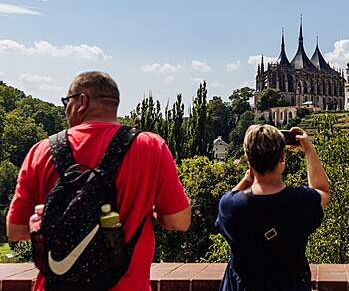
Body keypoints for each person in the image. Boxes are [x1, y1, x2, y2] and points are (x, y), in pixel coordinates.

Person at [6, 71, 191, 291]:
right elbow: (179, 222)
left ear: (81, 101)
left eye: (67, 102)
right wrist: (146, 209)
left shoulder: (42, 151)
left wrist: (58, 216)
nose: (66, 109)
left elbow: (15, 230)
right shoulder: (151, 147)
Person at [215, 125, 330, 290]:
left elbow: (229, 199)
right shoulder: (300, 201)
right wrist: (309, 150)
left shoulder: (231, 207)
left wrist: (249, 176)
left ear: (248, 160)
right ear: (282, 157)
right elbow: (322, 191)